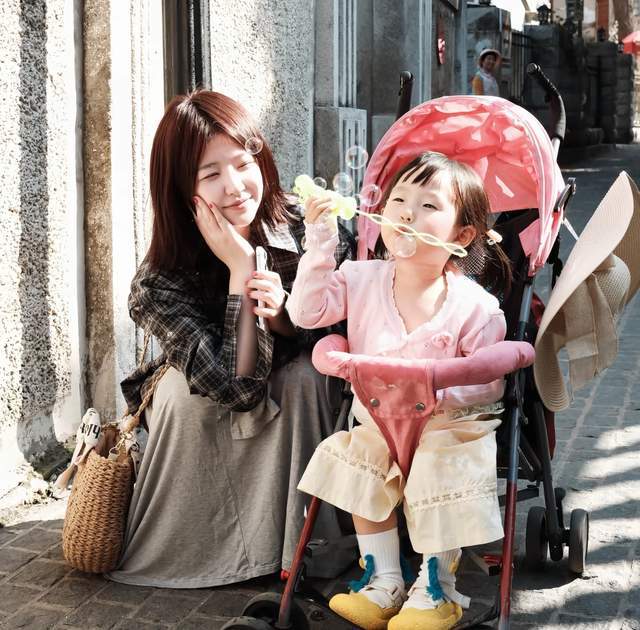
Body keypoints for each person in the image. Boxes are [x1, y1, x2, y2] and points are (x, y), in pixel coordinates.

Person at [106, 90, 354, 588]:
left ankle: (297, 548)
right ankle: (206, 550)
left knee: (307, 376)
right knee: (182, 396)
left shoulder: (308, 231)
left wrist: (285, 318)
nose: (236, 187)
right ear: (182, 190)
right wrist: (241, 270)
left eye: (243, 164)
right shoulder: (159, 282)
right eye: (211, 174)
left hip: (295, 383)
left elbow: (347, 332)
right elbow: (236, 388)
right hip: (213, 398)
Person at [287, 152, 512, 630]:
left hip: (447, 425)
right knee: (360, 464)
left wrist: (436, 390)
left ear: (461, 236)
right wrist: (321, 240)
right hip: (380, 420)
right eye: (399, 200)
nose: (407, 213)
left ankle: (437, 590)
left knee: (440, 467)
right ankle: (384, 579)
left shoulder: (476, 307)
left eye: (428, 205)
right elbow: (306, 314)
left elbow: (487, 382)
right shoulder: (360, 278)